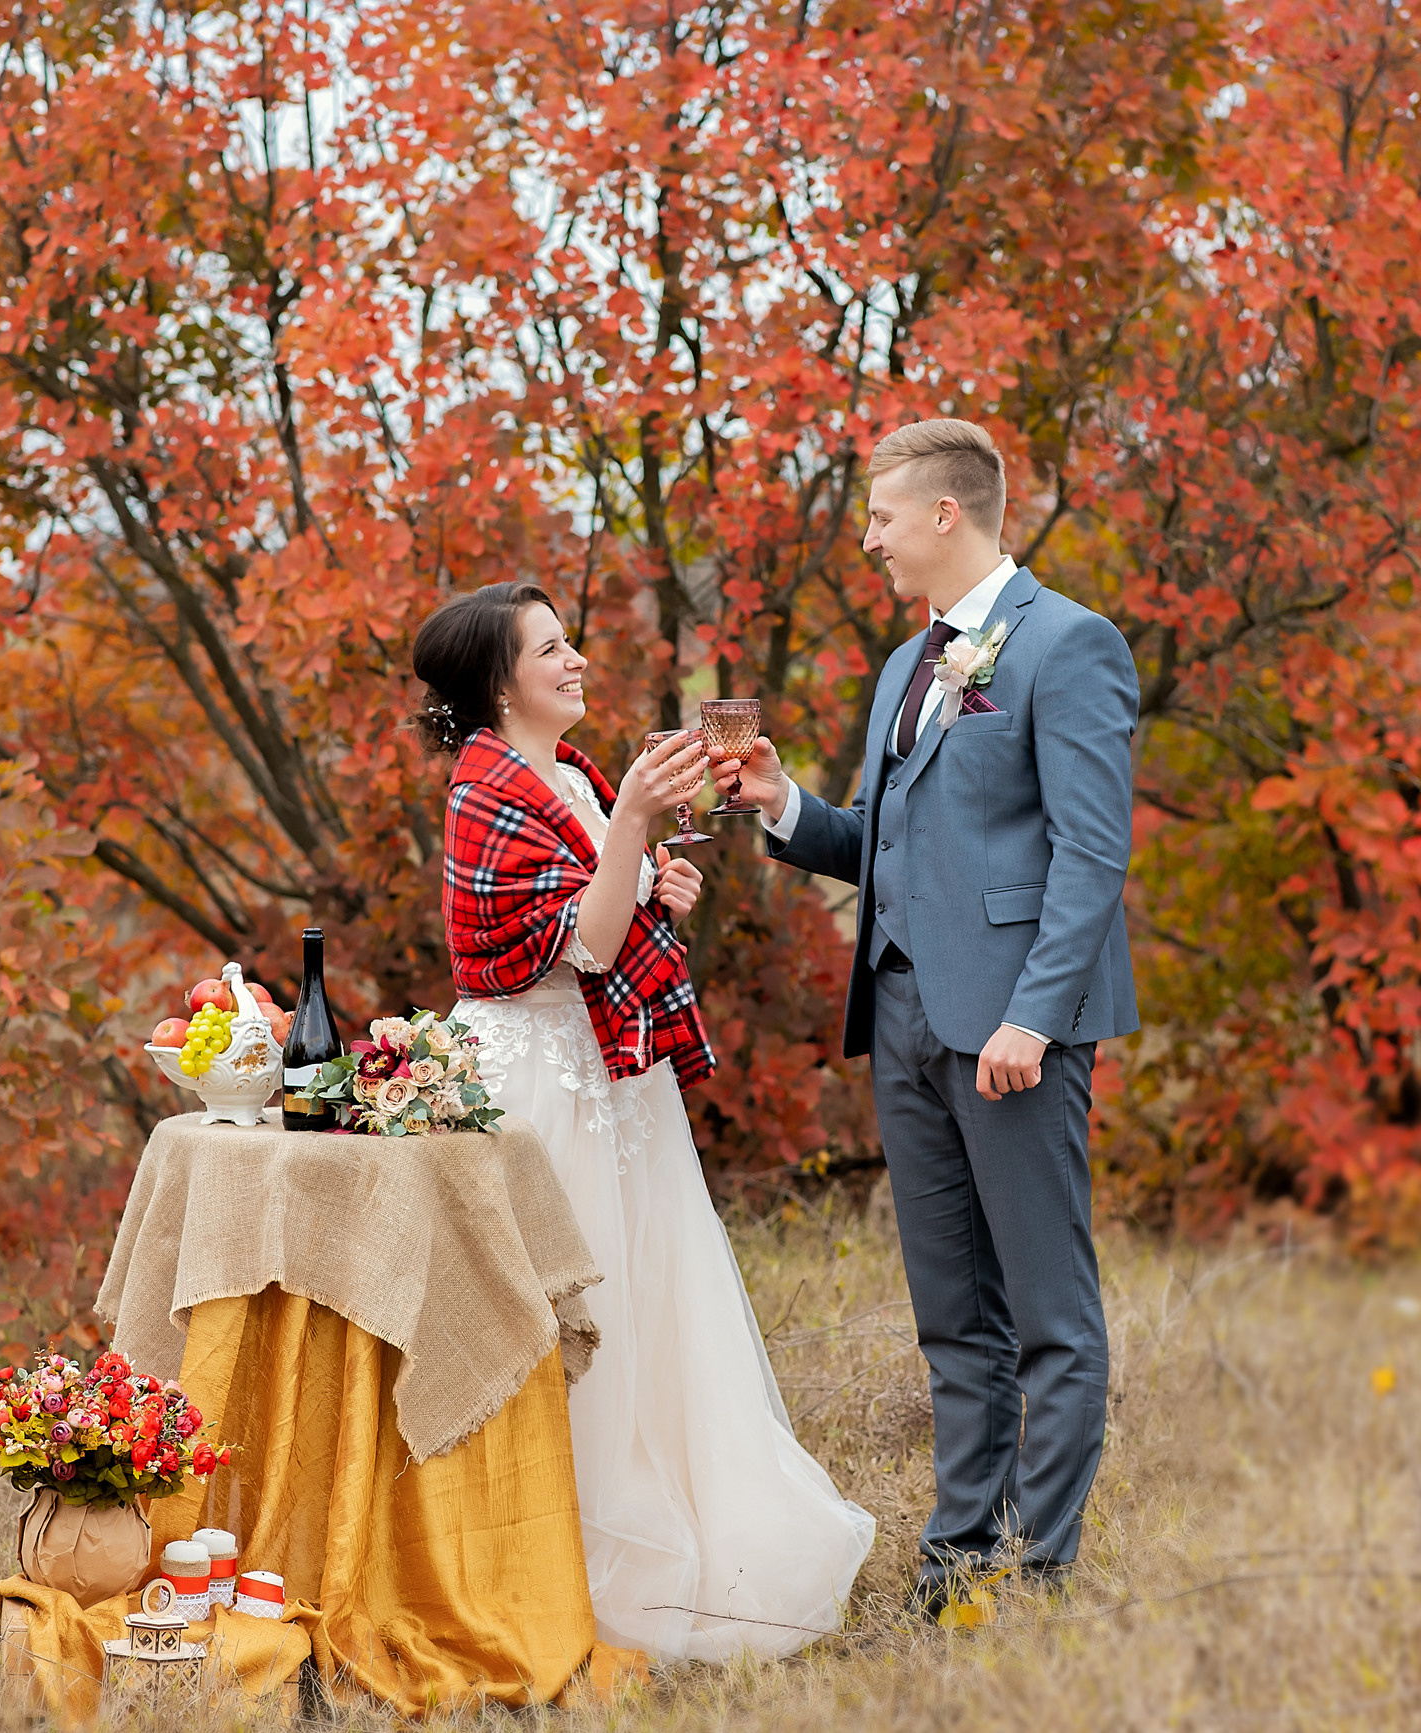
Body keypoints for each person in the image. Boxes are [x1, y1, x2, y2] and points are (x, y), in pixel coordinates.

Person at [718, 419, 1141, 1618]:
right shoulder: (912, 665)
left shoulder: (1070, 645)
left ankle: (1039, 1572)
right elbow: (882, 839)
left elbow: (1090, 855)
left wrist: (1034, 1019)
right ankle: (958, 1558)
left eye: (883, 518)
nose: (871, 540)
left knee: (1048, 1312)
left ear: (946, 514)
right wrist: (785, 803)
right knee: (953, 1314)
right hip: (900, 1013)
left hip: (1012, 1031)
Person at [412, 581, 876, 1664]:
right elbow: (576, 943)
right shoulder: (485, 789)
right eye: (550, 649)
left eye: (570, 642)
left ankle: (677, 1526)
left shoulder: (569, 771)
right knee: (567, 1320)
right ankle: (552, 1552)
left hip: (615, 1075)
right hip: (535, 1084)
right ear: (498, 681)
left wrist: (647, 868)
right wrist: (628, 837)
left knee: (652, 1298)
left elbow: (605, 912)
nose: (575, 661)